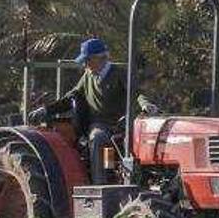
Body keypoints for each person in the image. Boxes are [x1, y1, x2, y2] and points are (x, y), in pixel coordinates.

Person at [27, 38, 158, 184]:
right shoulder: (87, 77)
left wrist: (146, 105)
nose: (85, 64)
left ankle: (141, 181)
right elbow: (70, 98)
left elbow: (137, 94)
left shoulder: (120, 73)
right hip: (101, 124)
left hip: (123, 124)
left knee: (136, 142)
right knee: (97, 138)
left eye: (87, 60)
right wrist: (46, 110)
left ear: (100, 58)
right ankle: (100, 184)